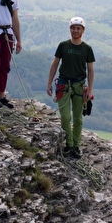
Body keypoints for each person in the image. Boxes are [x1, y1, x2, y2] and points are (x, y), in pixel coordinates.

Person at [47, 16, 94, 158]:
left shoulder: (87, 49)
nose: (75, 30)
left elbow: (90, 69)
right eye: (73, 28)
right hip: (64, 84)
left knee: (78, 118)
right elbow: (55, 64)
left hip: (79, 86)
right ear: (70, 29)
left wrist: (90, 90)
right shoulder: (63, 46)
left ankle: (75, 146)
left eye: (78, 28)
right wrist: (49, 83)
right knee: (66, 117)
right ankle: (69, 144)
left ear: (83, 30)